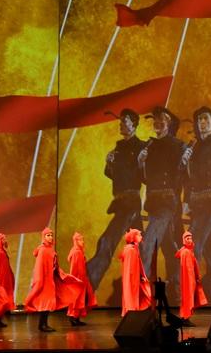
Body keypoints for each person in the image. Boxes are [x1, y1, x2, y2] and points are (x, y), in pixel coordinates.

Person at [88, 109, 146, 289]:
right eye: (120, 121)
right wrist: (109, 164)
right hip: (121, 203)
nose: (121, 124)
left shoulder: (142, 147)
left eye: (125, 121)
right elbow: (114, 175)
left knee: (108, 240)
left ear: (134, 125)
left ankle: (89, 279)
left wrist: (142, 162)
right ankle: (142, 283)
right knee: (138, 245)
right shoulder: (118, 148)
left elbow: (144, 176)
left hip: (130, 202)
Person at [138, 107, 186, 293]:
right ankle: (178, 283)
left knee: (148, 243)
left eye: (162, 120)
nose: (157, 123)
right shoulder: (148, 146)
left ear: (169, 124)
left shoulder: (178, 146)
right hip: (153, 203)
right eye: (155, 120)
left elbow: (183, 175)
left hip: (167, 203)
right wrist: (141, 163)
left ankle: (141, 289)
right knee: (167, 246)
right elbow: (144, 179)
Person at [180, 106, 211, 286]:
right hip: (195, 202)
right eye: (200, 119)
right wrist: (186, 200)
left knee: (193, 242)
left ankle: (188, 286)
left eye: (206, 119)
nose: (203, 122)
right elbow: (188, 178)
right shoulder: (193, 146)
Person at [24, 228, 83, 332]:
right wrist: (39, 281)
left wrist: (60, 274)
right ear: (44, 237)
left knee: (47, 303)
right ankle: (42, 325)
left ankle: (43, 324)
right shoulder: (43, 250)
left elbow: (54, 265)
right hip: (44, 281)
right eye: (48, 235)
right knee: (45, 303)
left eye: (51, 235)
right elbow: (39, 268)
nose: (50, 237)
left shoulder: (50, 249)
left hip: (50, 280)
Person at [175, 231, 207, 326]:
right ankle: (185, 318)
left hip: (190, 280)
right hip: (188, 281)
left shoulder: (187, 251)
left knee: (188, 299)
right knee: (188, 299)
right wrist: (193, 281)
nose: (189, 240)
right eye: (187, 238)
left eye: (190, 238)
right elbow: (188, 269)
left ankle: (185, 317)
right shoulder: (186, 252)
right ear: (184, 240)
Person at [67, 232, 97, 326]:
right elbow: (73, 268)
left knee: (81, 299)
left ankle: (76, 317)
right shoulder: (76, 252)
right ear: (76, 241)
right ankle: (73, 317)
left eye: (82, 240)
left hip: (82, 279)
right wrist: (74, 280)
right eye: (80, 240)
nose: (82, 242)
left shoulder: (79, 251)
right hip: (78, 279)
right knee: (77, 299)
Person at [120, 228, 152, 315]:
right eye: (139, 235)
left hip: (132, 278)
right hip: (132, 279)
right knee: (132, 295)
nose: (141, 236)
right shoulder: (131, 250)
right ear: (133, 237)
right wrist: (139, 277)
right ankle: (131, 313)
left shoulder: (131, 249)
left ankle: (132, 312)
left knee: (135, 295)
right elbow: (132, 267)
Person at [0, 233, 16, 318]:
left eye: (5, 239)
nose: (5, 241)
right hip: (2, 280)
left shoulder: (1, 251)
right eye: (2, 239)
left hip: (5, 278)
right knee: (1, 298)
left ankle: (0, 318)